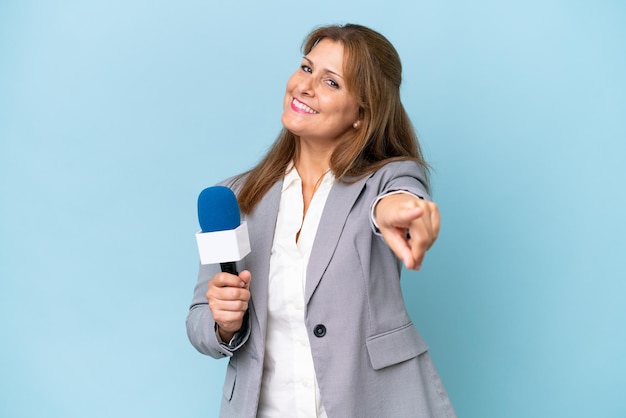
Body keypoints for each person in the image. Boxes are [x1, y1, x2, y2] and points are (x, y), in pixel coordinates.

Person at [187, 23, 456, 418]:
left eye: (331, 83)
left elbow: (398, 197)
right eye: (307, 68)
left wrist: (396, 212)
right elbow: (198, 321)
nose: (305, 86)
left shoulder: (386, 180)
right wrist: (223, 324)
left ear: (362, 113)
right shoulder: (236, 197)